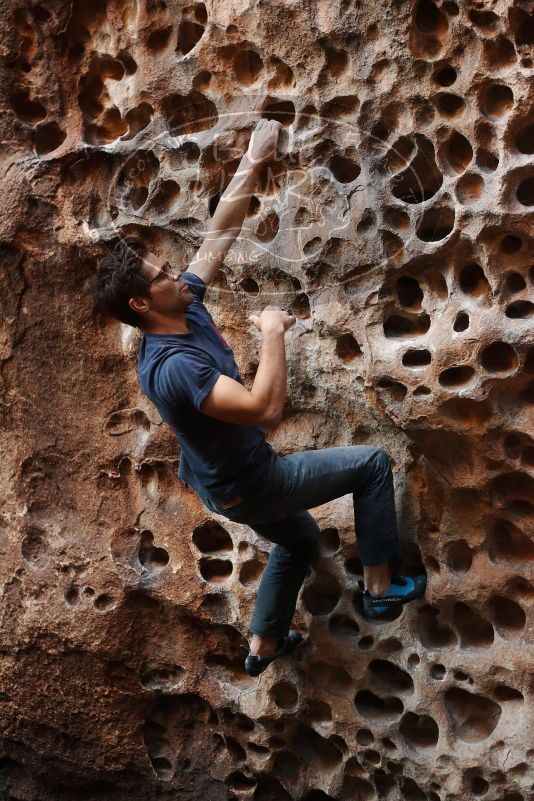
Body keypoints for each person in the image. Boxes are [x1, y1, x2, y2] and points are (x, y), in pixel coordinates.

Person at [88, 119, 426, 677]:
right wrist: (272, 330)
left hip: (221, 481)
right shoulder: (174, 368)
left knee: (298, 541)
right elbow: (266, 410)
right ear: (142, 306)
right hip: (251, 483)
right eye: (162, 276)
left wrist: (254, 157)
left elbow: (218, 237)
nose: (177, 274)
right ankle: (381, 590)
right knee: (371, 465)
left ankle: (263, 645)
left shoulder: (181, 307)